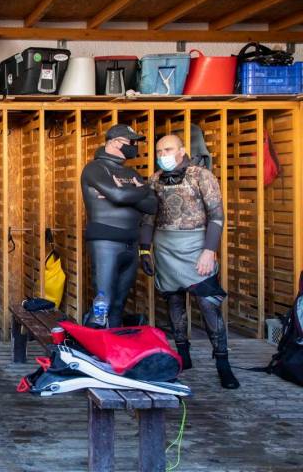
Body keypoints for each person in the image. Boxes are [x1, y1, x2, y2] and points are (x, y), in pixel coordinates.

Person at [140, 135, 239, 389]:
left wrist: (209, 250)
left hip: (196, 246)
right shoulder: (154, 180)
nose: (163, 154)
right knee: (174, 301)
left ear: (182, 150)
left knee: (208, 304)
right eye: (160, 150)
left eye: (169, 149)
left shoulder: (201, 175)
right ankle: (183, 355)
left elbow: (217, 215)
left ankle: (223, 363)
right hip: (165, 246)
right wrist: (144, 250)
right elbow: (149, 218)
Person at [80, 124, 158, 328]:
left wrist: (133, 191)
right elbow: (119, 195)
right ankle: (91, 353)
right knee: (102, 304)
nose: (134, 147)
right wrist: (140, 189)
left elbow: (152, 205)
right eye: (131, 142)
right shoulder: (95, 169)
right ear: (114, 142)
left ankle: (114, 353)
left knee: (118, 305)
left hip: (130, 244)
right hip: (105, 242)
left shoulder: (131, 172)